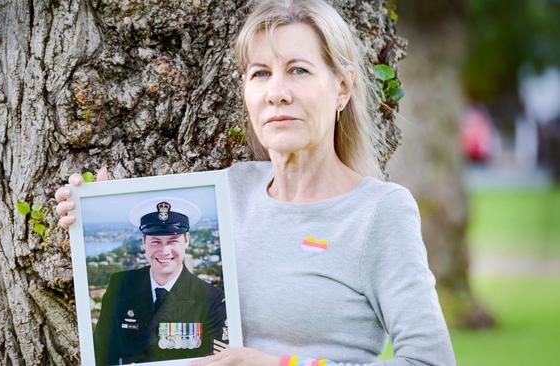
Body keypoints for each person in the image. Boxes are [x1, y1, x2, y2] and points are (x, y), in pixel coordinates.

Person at [56, 0, 456, 365]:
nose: (276, 93)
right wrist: (92, 210)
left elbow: (431, 361)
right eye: (261, 73)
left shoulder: (377, 211)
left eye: (298, 70)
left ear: (342, 87)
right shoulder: (231, 189)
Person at [91, 198, 228, 365]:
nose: (164, 251)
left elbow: (218, 362)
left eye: (173, 240)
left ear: (187, 240)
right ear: (144, 242)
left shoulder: (211, 299)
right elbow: (102, 352)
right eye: (156, 241)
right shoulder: (121, 285)